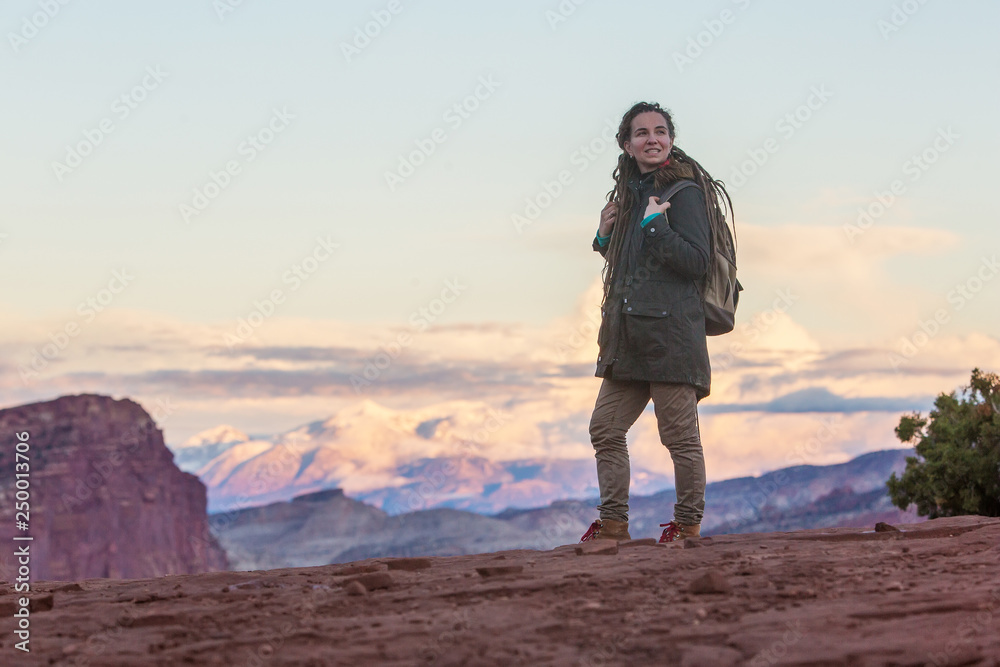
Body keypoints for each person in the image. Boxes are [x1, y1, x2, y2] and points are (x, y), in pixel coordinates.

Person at [579, 101, 732, 544]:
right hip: (628, 340)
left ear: (671, 139)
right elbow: (635, 270)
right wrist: (605, 237)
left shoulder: (684, 193)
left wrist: (654, 227)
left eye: (661, 131)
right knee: (605, 429)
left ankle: (686, 528)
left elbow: (697, 263)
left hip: (671, 339)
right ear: (626, 145)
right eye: (642, 133)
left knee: (679, 439)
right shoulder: (629, 196)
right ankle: (613, 526)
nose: (653, 138)